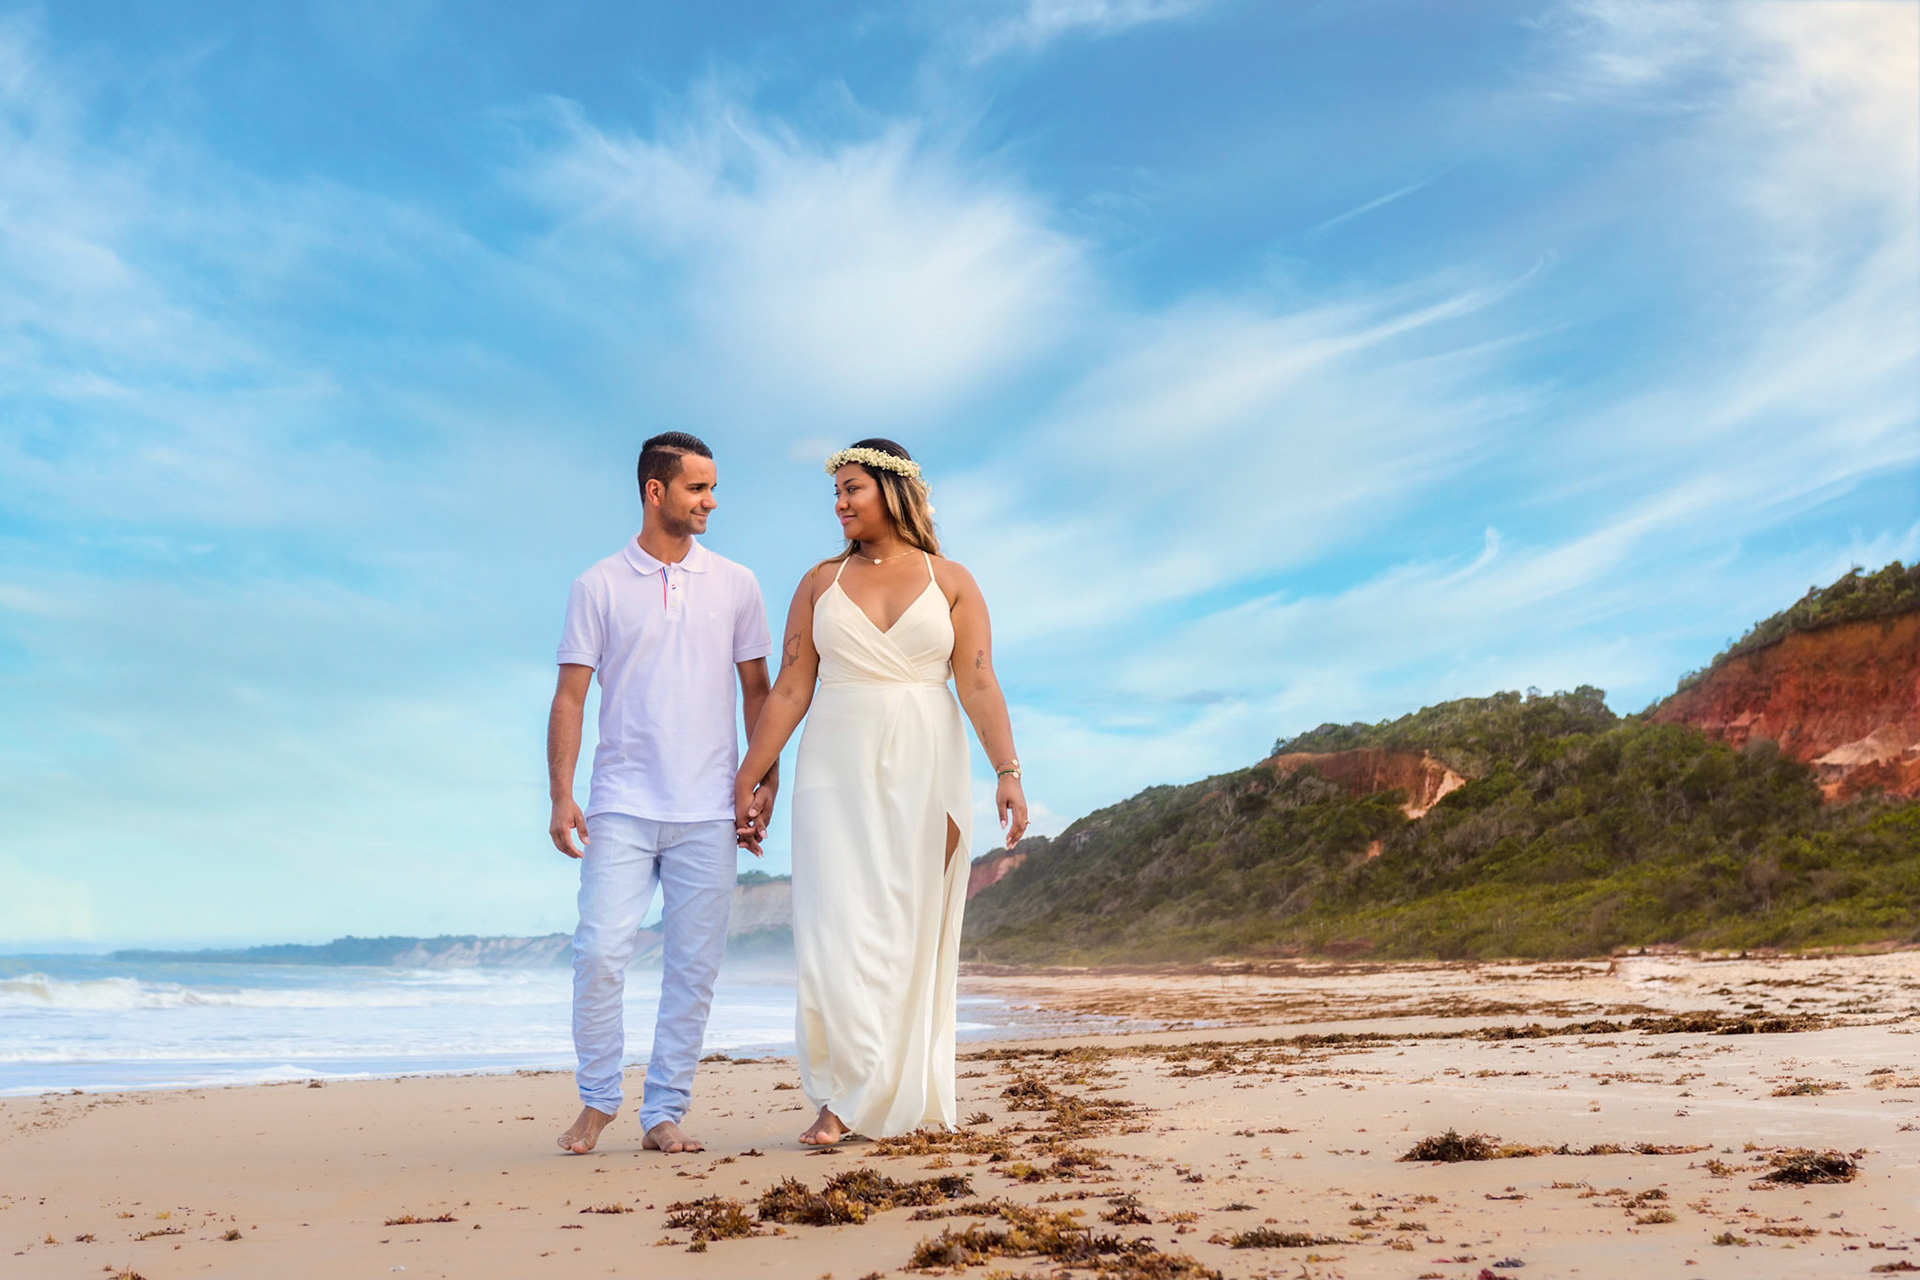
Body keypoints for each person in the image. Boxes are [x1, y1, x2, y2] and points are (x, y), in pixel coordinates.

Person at [734, 438, 1028, 1144]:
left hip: (929, 758)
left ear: (893, 491)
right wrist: (751, 771)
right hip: (835, 756)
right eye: (835, 492)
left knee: (906, 924)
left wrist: (1008, 771)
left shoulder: (952, 579)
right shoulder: (818, 583)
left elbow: (979, 680)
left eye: (851, 489)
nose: (838, 504)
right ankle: (840, 1097)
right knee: (835, 925)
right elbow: (792, 687)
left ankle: (893, 1093)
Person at [547, 431, 778, 1156]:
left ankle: (664, 1112)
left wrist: (763, 782)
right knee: (601, 951)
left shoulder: (737, 583)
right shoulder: (598, 585)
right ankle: (598, 1098)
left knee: (693, 968)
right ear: (656, 491)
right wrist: (561, 794)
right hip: (620, 802)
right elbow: (570, 697)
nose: (711, 501)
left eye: (711, 487)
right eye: (697, 488)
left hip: (709, 809)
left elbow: (759, 692)